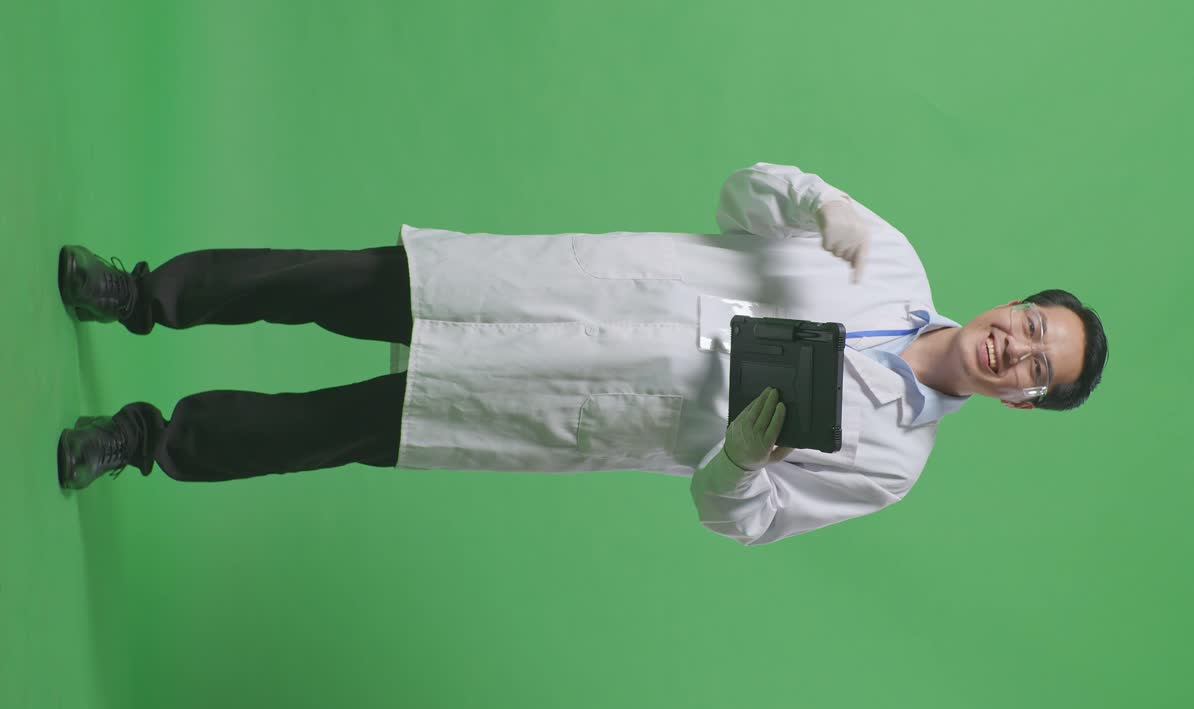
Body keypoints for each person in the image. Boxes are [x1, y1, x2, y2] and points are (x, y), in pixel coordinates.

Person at [56, 162, 1108, 546]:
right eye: (1029, 324)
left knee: (331, 428)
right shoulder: (886, 256)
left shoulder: (892, 466)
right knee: (324, 282)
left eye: (1036, 366)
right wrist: (814, 200)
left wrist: (742, 462)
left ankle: (143, 443)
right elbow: (738, 198)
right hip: (564, 287)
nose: (1013, 347)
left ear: (1023, 401)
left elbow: (735, 519)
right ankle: (141, 294)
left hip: (582, 404)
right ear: (1012, 303)